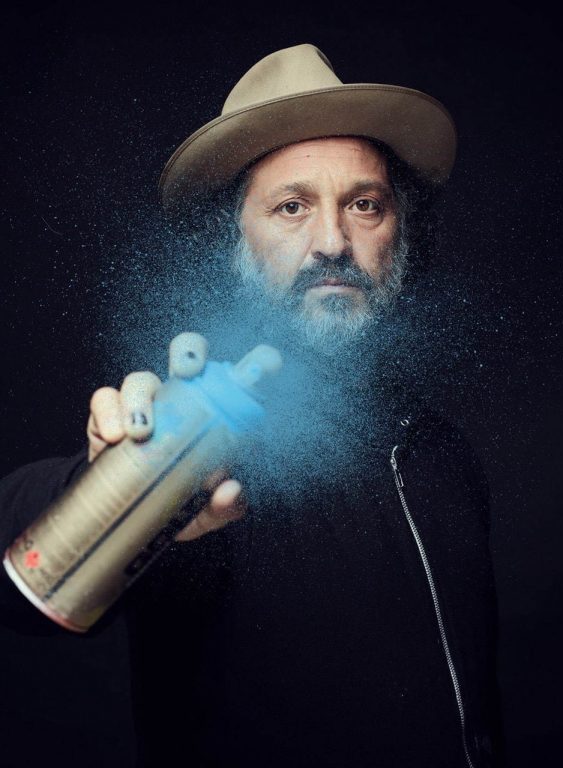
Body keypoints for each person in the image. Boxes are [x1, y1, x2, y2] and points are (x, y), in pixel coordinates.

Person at [0, 45, 502, 767]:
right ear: (231, 240)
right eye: (291, 207)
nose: (332, 242)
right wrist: (105, 481)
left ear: (397, 231)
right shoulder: (197, 449)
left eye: (363, 204)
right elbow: (18, 586)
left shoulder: (441, 451)